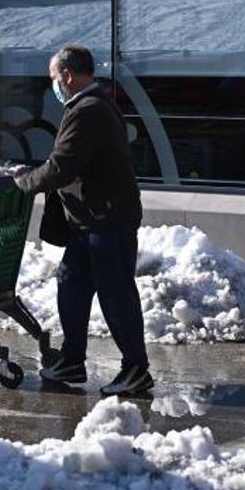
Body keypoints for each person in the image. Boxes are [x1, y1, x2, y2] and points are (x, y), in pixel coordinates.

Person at [13, 45, 153, 395]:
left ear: (67, 75)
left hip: (107, 220)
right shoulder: (89, 106)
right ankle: (73, 360)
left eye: (53, 79)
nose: (52, 86)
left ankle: (136, 369)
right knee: (71, 284)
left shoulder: (88, 110)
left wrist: (23, 184)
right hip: (90, 221)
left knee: (116, 295)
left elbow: (62, 166)